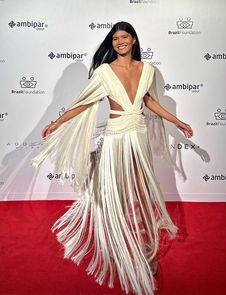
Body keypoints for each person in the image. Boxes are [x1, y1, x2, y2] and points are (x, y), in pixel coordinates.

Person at [32, 21, 193, 295]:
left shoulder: (147, 69)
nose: (120, 41)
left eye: (124, 37)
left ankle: (149, 251)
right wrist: (57, 122)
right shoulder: (104, 72)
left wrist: (177, 122)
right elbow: (83, 103)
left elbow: (149, 101)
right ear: (113, 42)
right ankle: (116, 243)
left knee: (143, 193)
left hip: (138, 134)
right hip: (116, 136)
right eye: (115, 38)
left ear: (133, 40)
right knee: (114, 194)